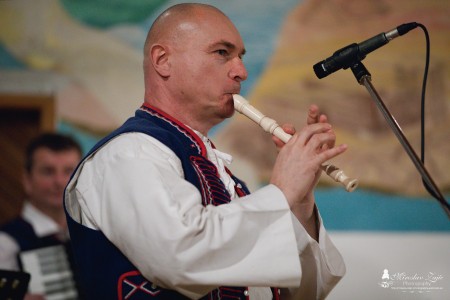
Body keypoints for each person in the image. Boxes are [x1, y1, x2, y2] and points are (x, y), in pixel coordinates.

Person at [64, 3, 347, 300]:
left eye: (240, 57)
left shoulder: (226, 180)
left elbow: (305, 293)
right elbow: (179, 256)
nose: (241, 72)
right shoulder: (128, 154)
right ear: (163, 60)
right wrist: (282, 190)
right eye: (222, 53)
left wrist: (300, 199)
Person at [0, 133, 82, 299]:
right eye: (48, 172)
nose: (59, 181)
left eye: (68, 171)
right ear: (27, 180)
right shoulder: (5, 242)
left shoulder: (89, 234)